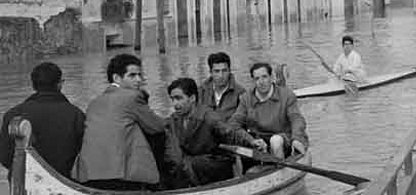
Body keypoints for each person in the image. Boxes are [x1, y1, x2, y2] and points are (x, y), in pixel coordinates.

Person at [73, 54, 166, 190]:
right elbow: (157, 127)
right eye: (132, 76)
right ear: (116, 78)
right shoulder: (132, 96)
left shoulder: (94, 103)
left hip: (88, 174)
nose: (139, 80)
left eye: (140, 75)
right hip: (120, 176)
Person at [0, 62, 85, 180]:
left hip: (23, 179)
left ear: (33, 86)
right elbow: (82, 157)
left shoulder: (12, 114)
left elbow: (5, 158)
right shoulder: (77, 115)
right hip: (62, 179)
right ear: (60, 84)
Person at [163, 78, 247, 189]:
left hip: (215, 164)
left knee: (188, 164)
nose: (175, 104)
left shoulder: (209, 116)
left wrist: (253, 141)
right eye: (172, 99)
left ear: (192, 98)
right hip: (192, 165)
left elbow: (232, 134)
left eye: (179, 98)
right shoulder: (174, 120)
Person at [228, 63, 308, 162]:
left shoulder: (287, 95)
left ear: (271, 77)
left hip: (284, 139)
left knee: (275, 140)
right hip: (260, 141)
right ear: (253, 81)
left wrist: (297, 138)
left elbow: (296, 119)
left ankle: (279, 166)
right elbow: (234, 124)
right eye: (257, 79)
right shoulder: (246, 98)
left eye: (264, 77)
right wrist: (251, 140)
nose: (261, 82)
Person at [197, 52, 246, 122]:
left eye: (224, 71)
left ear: (229, 71)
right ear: (210, 72)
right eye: (217, 71)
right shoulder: (201, 91)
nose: (221, 75)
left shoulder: (240, 92)